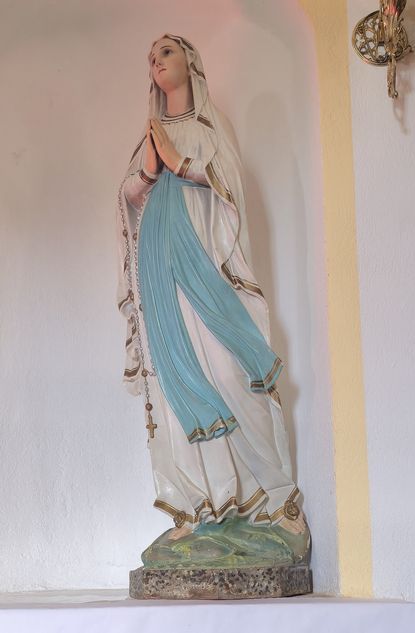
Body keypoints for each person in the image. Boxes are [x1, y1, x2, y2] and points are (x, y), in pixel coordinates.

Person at [117, 34, 305, 540]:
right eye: (151, 56)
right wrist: (148, 172)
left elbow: (229, 185)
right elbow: (128, 196)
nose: (157, 60)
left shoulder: (208, 125)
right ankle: (199, 505)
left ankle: (276, 495)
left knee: (229, 371)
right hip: (159, 267)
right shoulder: (150, 133)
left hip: (204, 266)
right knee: (174, 376)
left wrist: (179, 162)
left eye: (167, 51)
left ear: (191, 61)